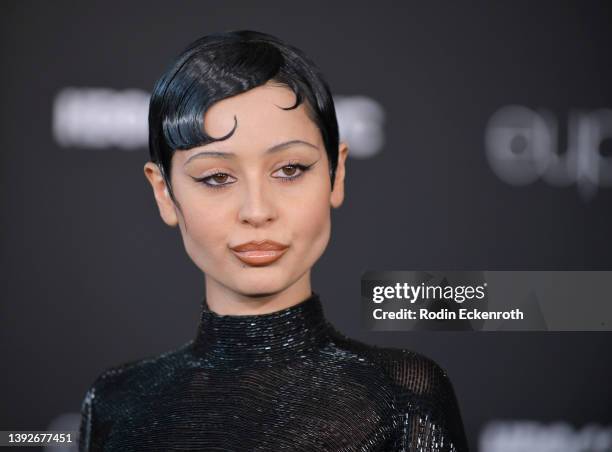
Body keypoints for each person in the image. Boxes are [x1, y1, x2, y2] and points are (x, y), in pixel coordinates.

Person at [78, 30, 469, 451]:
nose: (257, 210)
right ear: (164, 193)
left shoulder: (401, 397)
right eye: (216, 178)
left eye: (290, 170)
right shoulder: (116, 403)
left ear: (336, 174)